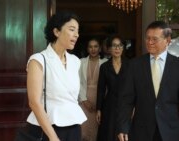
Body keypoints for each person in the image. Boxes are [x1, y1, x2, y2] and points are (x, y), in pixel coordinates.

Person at [117, 21, 179, 141]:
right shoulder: (134, 65)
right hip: (141, 130)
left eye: (154, 39)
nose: (150, 42)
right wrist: (123, 127)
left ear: (168, 40)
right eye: (147, 38)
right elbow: (127, 100)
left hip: (171, 130)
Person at [25, 11, 86, 141]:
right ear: (57, 32)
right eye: (71, 29)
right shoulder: (38, 60)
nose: (76, 35)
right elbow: (34, 102)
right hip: (47, 128)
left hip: (73, 128)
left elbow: (73, 99)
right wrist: (53, 137)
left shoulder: (75, 61)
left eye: (78, 31)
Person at [96, 35, 129, 141]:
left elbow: (135, 88)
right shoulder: (104, 67)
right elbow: (101, 89)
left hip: (126, 104)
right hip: (109, 105)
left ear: (123, 48)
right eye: (114, 46)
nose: (117, 48)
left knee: (125, 134)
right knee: (108, 134)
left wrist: (135, 107)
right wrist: (99, 109)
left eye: (120, 45)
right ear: (109, 49)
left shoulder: (131, 65)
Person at [78, 38, 108, 141]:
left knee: (97, 128)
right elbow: (78, 82)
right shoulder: (81, 62)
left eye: (95, 46)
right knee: (83, 129)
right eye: (90, 46)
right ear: (87, 49)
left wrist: (102, 102)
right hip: (84, 99)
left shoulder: (105, 62)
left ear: (99, 49)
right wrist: (84, 100)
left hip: (100, 99)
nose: (93, 49)